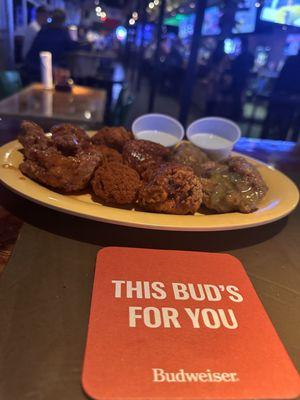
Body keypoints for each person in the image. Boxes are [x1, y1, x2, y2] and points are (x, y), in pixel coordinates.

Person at [25, 8, 79, 80]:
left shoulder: (43, 30)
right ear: (63, 21)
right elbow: (71, 48)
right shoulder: (63, 32)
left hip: (32, 68)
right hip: (49, 70)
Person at [230, 37, 254, 121]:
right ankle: (238, 114)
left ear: (243, 45)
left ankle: (236, 115)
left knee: (237, 97)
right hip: (244, 79)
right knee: (241, 97)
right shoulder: (251, 56)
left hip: (238, 79)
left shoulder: (240, 56)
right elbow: (251, 67)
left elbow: (233, 68)